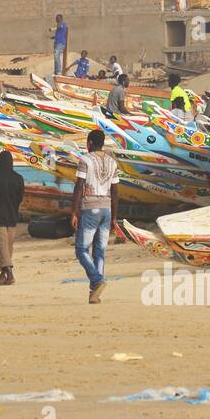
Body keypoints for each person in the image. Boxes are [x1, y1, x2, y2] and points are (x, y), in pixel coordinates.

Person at [71, 129, 119, 304]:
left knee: (81, 250)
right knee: (100, 252)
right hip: (106, 209)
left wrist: (74, 211)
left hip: (90, 208)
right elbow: (115, 192)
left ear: (89, 143)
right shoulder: (113, 162)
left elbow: (79, 187)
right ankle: (95, 293)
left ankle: (97, 279)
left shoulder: (85, 160)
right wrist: (114, 217)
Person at [0, 150, 25, 286]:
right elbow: (20, 198)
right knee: (7, 246)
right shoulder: (19, 178)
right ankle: (3, 275)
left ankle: (10, 273)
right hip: (13, 216)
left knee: (2, 246)